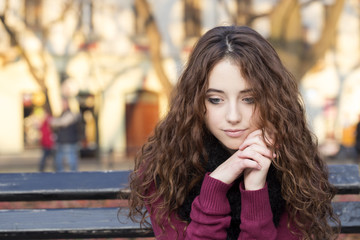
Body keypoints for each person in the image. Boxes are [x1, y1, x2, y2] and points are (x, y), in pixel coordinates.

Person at [128, 26, 339, 239]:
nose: (233, 116)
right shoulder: (165, 168)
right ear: (194, 101)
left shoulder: (296, 166)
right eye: (216, 100)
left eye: (249, 99)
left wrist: (256, 187)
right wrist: (215, 186)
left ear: (272, 100)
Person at [51, 98, 81, 172]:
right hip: (62, 141)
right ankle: (62, 176)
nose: (62, 105)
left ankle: (73, 175)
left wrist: (53, 122)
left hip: (69, 141)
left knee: (71, 160)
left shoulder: (71, 114)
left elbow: (62, 122)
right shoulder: (62, 114)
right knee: (58, 161)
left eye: (64, 104)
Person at [38, 107, 54, 172]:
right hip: (46, 142)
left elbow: (50, 132)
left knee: (46, 158)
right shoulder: (45, 121)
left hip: (49, 143)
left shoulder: (49, 120)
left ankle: (42, 169)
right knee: (48, 157)